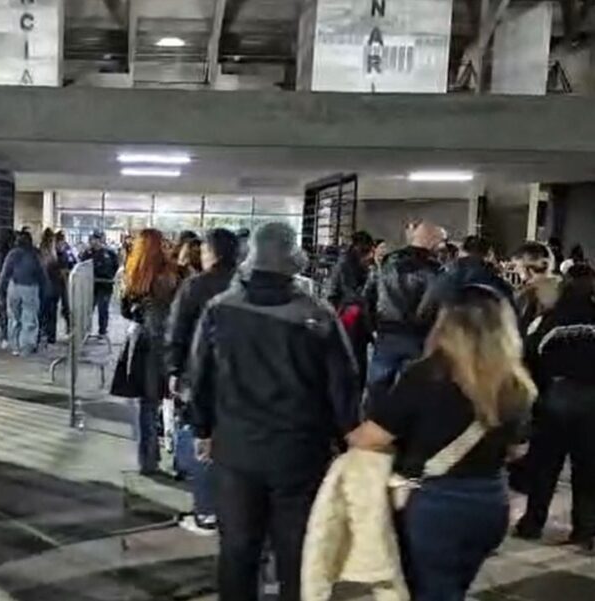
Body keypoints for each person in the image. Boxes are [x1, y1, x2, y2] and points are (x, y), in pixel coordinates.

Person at [187, 222, 358, 601]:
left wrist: (202, 428)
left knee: (238, 548)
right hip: (300, 451)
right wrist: (347, 436)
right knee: (297, 552)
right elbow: (343, 383)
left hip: (236, 448)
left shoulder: (220, 309)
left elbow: (199, 375)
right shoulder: (316, 314)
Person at [349, 285, 536, 601]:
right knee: (454, 588)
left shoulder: (425, 375)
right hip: (491, 504)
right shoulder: (516, 383)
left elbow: (370, 438)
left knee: (431, 590)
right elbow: (518, 449)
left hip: (435, 506)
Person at [165, 228, 240, 536]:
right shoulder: (243, 286)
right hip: (239, 379)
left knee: (200, 439)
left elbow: (177, 330)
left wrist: (172, 369)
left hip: (199, 375)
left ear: (210, 253)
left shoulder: (194, 286)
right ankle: (231, 510)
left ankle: (206, 512)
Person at [515, 266, 595, 549]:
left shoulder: (549, 319)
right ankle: (585, 530)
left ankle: (532, 524)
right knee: (587, 469)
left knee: (545, 466)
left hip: (556, 397)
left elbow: (529, 357)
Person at [110, 229, 179, 475]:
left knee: (146, 405)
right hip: (168, 342)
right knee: (170, 400)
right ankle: (175, 456)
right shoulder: (173, 273)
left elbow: (125, 311)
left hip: (142, 343)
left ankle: (147, 459)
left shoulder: (133, 273)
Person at [365, 221, 444, 403]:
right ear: (431, 241)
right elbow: (438, 305)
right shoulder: (435, 270)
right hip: (419, 337)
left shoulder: (386, 262)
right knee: (413, 391)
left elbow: (368, 294)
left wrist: (373, 327)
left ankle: (373, 424)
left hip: (386, 334)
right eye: (440, 241)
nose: (442, 246)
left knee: (377, 388)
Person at [326, 231, 376, 383]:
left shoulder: (350, 262)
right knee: (354, 356)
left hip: (348, 315)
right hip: (349, 315)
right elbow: (353, 294)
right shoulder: (348, 265)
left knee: (353, 354)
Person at [428, 235, 516, 314]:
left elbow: (425, 311)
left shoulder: (441, 277)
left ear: (460, 252)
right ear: (489, 254)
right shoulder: (495, 283)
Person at [0, 231, 46, 356]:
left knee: (14, 317)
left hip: (14, 287)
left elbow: (4, 273)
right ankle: (26, 346)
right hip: (31, 287)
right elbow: (42, 273)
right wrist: (46, 290)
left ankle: (15, 346)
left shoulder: (13, 253)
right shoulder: (35, 254)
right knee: (29, 317)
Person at [81, 231, 121, 337]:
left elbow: (116, 267)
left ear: (100, 240)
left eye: (96, 239)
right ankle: (86, 330)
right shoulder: (87, 253)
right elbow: (81, 267)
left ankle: (102, 330)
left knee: (103, 309)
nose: (94, 242)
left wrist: (112, 277)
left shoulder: (110, 253)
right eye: (92, 239)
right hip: (91, 286)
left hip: (105, 286)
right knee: (88, 309)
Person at [39, 229, 64, 345]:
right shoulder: (53, 254)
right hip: (52, 287)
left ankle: (45, 335)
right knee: (51, 313)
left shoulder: (43, 252)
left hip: (47, 287)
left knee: (45, 312)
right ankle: (50, 336)